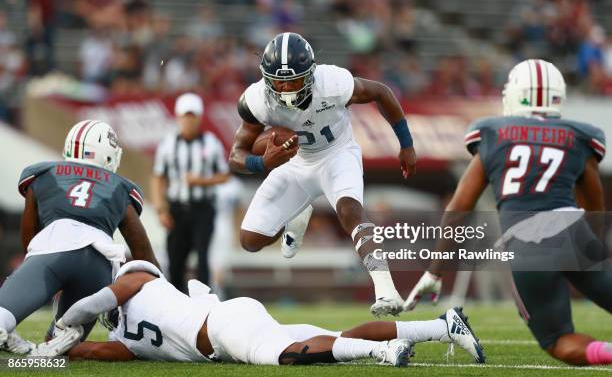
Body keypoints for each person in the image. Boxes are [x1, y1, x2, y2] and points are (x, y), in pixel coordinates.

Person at [405, 59, 612, 366]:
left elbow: (460, 206)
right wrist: (591, 251)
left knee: (557, 341)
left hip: (526, 240)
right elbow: (594, 205)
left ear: (514, 94)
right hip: (574, 229)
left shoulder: (493, 132)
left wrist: (435, 270)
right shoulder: (578, 136)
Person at [229, 32, 417, 316]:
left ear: (311, 73)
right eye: (279, 80)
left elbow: (381, 92)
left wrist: (406, 144)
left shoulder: (333, 83)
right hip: (296, 164)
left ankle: (386, 290)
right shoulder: (257, 100)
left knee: (350, 211)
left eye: (293, 79)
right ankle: (297, 215)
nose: (286, 88)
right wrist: (263, 163)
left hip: (337, 154)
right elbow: (236, 155)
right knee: (250, 240)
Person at [34, 260, 485, 365]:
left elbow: (97, 303)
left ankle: (382, 354)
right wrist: (39, 353)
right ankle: (443, 325)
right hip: (229, 325)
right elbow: (86, 351)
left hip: (226, 328)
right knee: (332, 333)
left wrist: (63, 324)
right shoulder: (126, 341)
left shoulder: (137, 280)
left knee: (289, 356)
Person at [0, 120, 159, 352]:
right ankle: (56, 340)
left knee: (2, 314)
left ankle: (15, 338)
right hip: (99, 266)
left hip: (53, 251)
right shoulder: (121, 187)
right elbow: (141, 250)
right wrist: (160, 288)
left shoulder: (43, 175)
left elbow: (30, 235)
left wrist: (42, 272)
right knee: (57, 345)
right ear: (108, 155)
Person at [151, 93, 230, 291]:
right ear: (178, 117)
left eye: (192, 116)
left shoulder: (211, 142)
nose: (189, 120)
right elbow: (158, 177)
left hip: (202, 209)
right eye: (185, 116)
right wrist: (161, 209)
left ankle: (203, 306)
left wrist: (202, 181)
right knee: (175, 261)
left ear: (199, 117)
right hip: (177, 208)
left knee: (202, 258)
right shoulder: (168, 144)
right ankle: (177, 306)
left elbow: (224, 175)